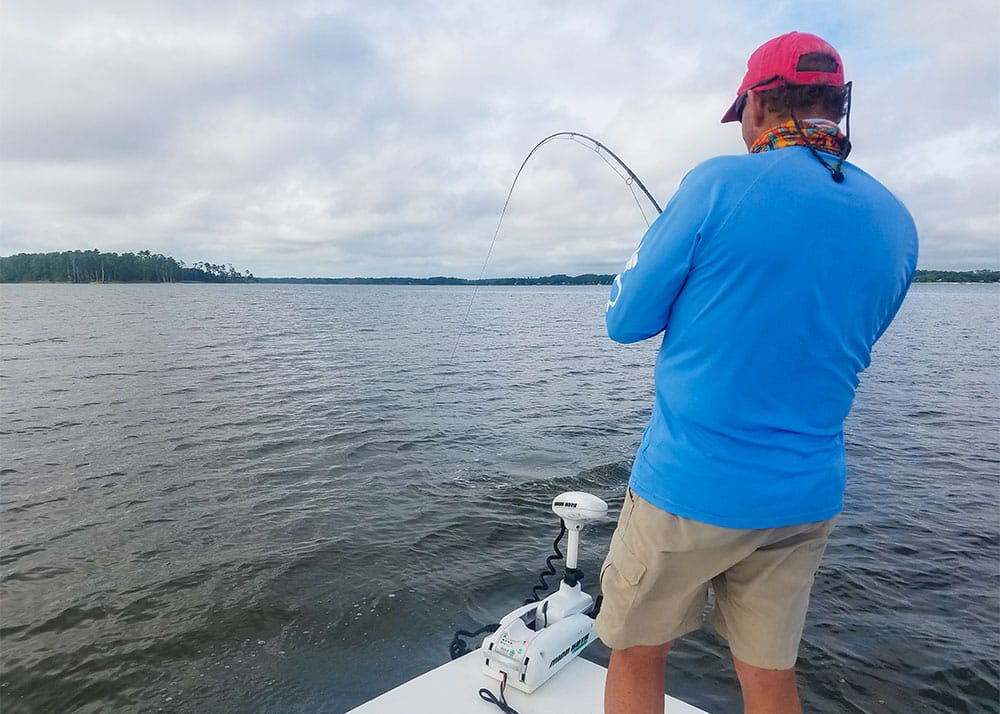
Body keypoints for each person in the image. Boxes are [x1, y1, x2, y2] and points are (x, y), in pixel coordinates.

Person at [595, 31, 918, 714]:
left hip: (690, 488)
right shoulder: (898, 220)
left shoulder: (716, 183)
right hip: (805, 497)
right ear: (838, 105)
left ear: (762, 104)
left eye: (741, 111)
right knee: (769, 675)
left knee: (637, 652)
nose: (740, 128)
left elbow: (623, 321)